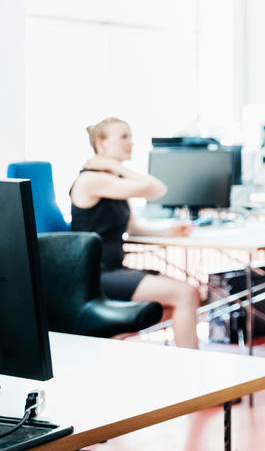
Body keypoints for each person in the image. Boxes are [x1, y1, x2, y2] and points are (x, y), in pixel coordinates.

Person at [69, 117, 201, 349]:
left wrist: (170, 232)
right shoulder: (91, 179)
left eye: (130, 136)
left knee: (169, 307)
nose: (131, 142)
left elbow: (134, 228)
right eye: (123, 136)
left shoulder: (111, 181)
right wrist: (115, 166)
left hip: (113, 269)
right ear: (101, 144)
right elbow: (156, 189)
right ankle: (193, 374)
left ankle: (107, 342)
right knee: (186, 294)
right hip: (93, 274)